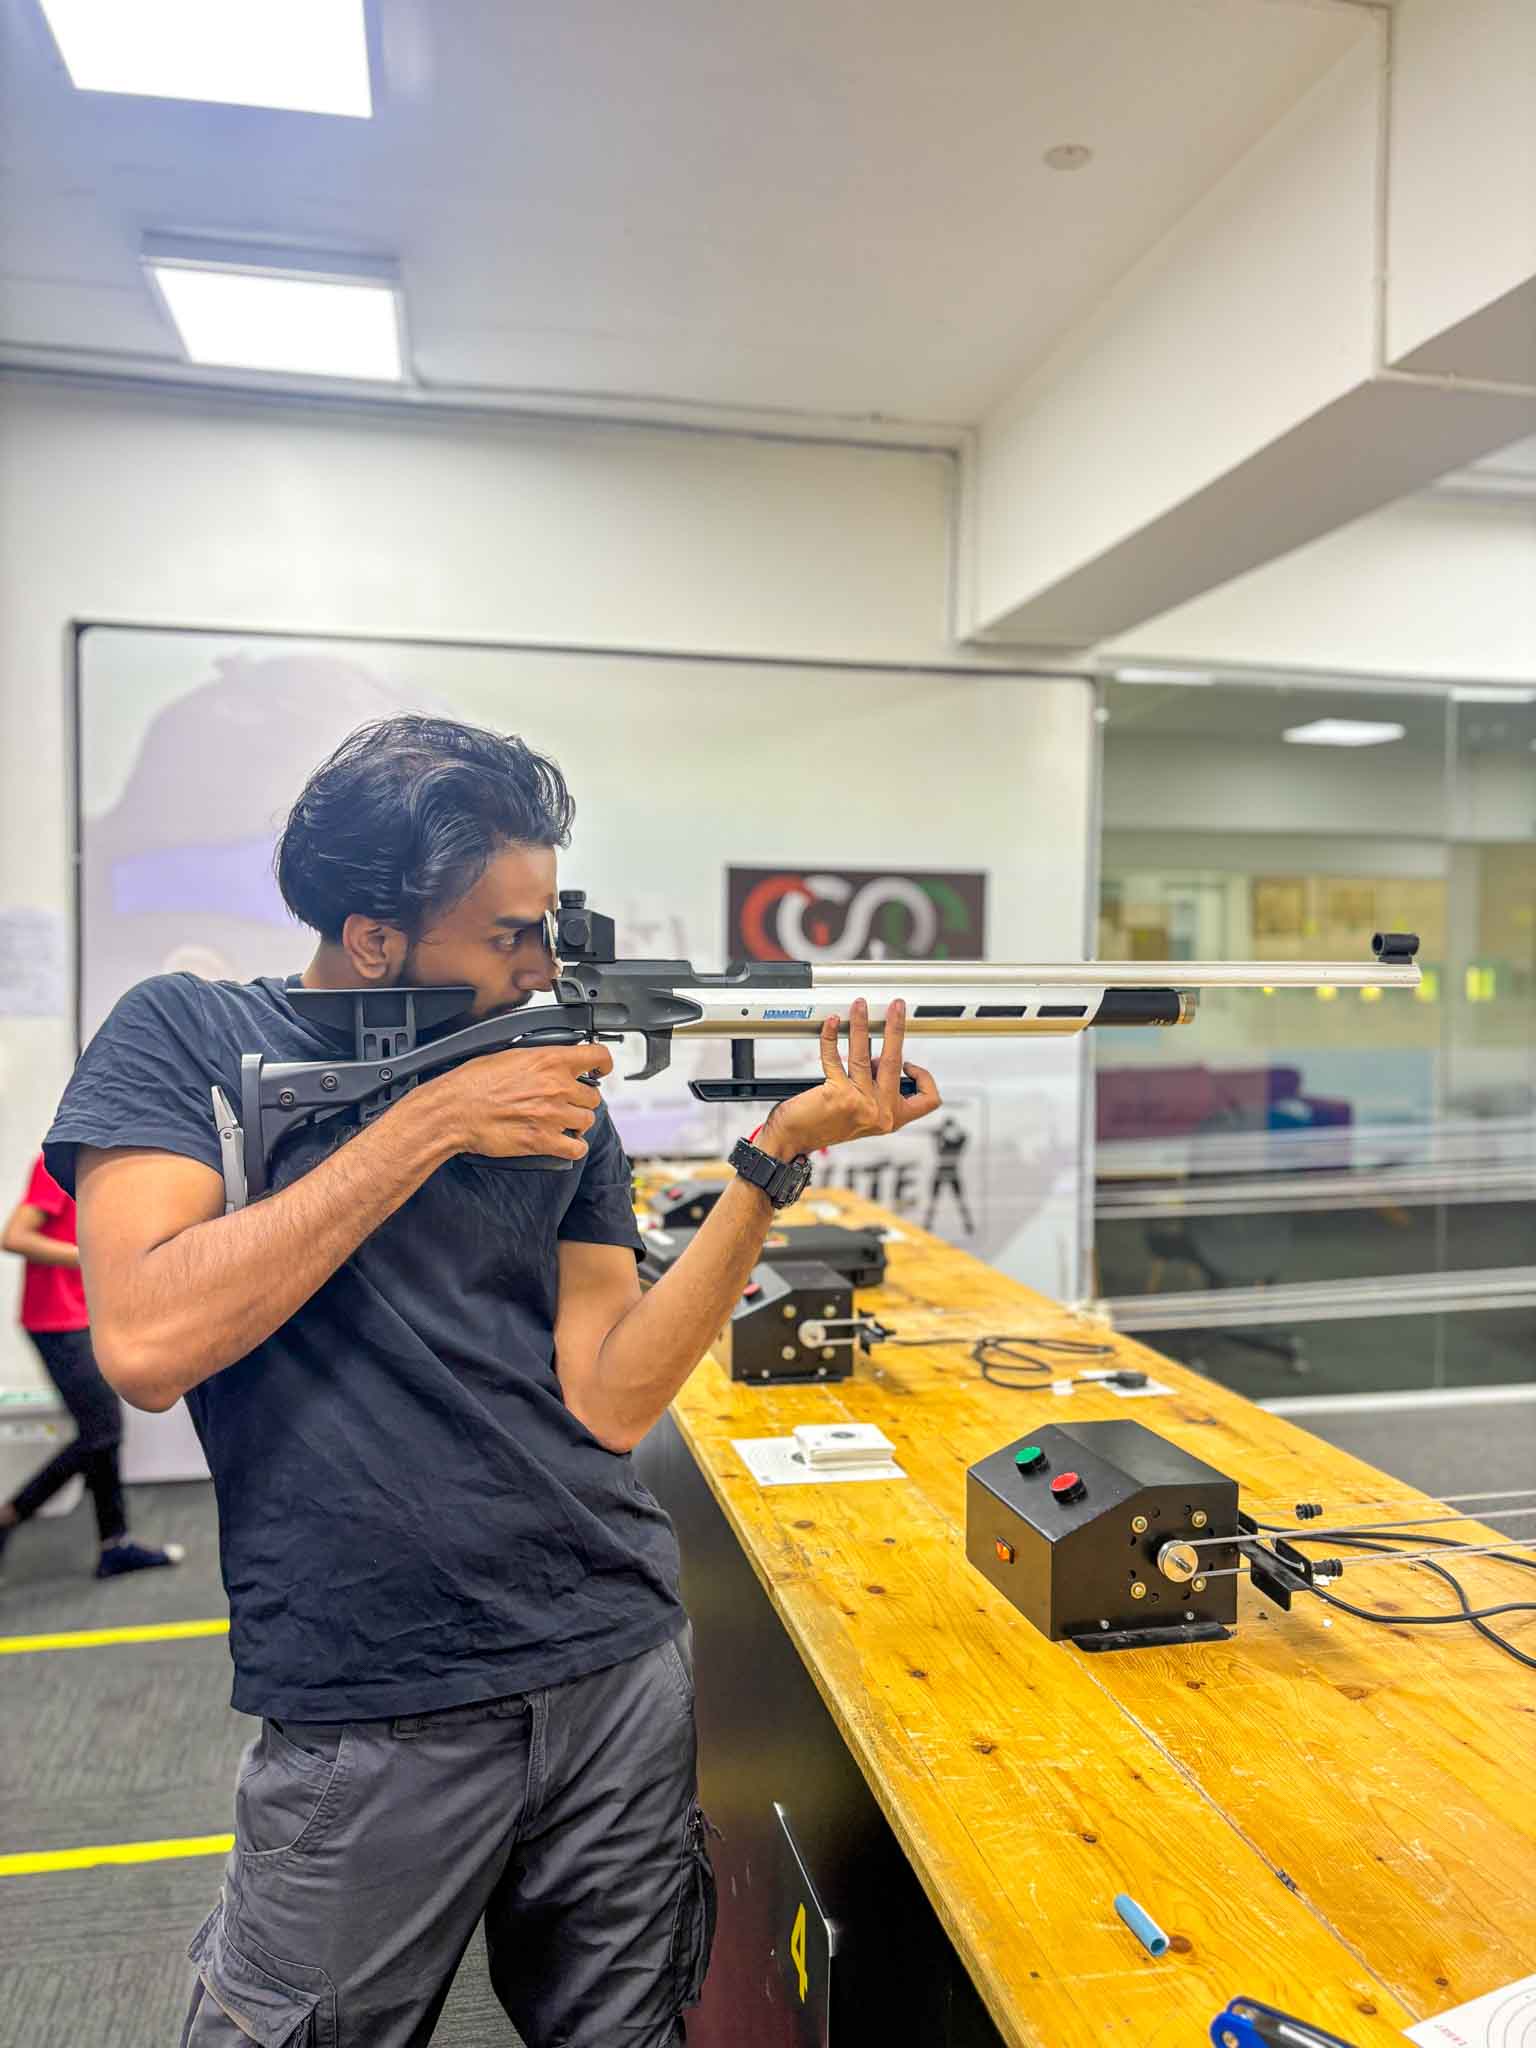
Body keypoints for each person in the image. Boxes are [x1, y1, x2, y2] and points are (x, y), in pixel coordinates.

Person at [44, 715, 941, 2048]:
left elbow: (614, 1399)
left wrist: (771, 1163)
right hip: (376, 1693)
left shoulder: (543, 1087)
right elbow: (149, 1342)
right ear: (373, 939)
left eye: (548, 919)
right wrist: (432, 1121)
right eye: (509, 933)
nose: (546, 958)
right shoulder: (189, 1036)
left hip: (614, 1659)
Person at [0, 1152, 182, 1578]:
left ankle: (113, 1544)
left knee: (101, 1434)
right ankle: (12, 1514)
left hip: (79, 1318)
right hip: (55, 1324)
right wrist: (90, 1260)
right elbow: (14, 1236)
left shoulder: (105, 1173)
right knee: (103, 1431)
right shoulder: (55, 1165)